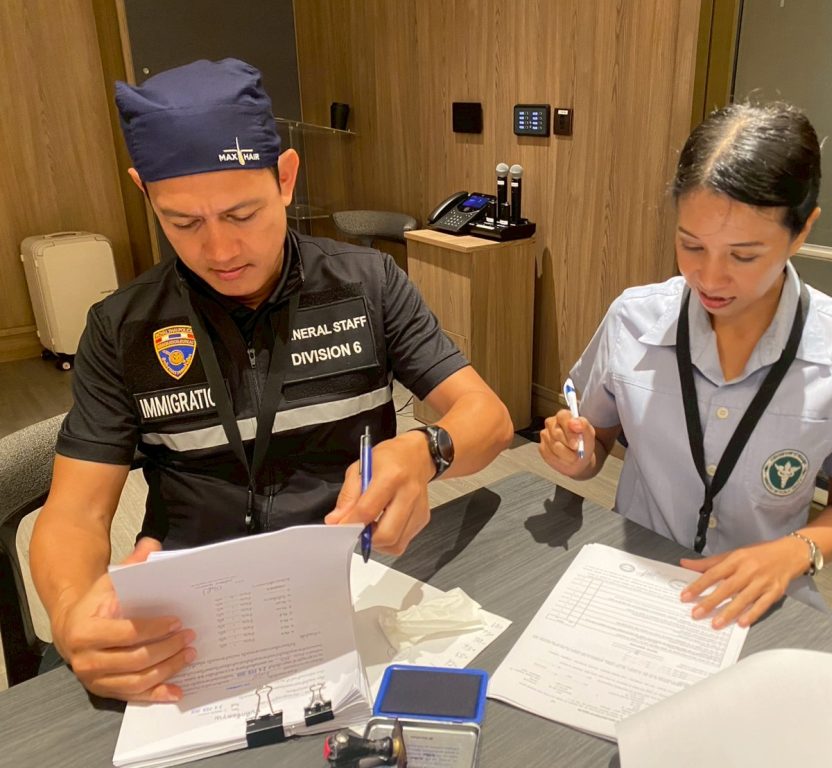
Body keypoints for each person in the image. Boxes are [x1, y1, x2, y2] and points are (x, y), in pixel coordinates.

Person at [29, 59, 513, 703]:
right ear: (144, 192)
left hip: (350, 581)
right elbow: (75, 513)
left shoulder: (368, 284)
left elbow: (488, 417)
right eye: (183, 223)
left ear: (285, 178)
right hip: (195, 610)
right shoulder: (121, 328)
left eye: (242, 213)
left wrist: (427, 451)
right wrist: (70, 612)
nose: (221, 251)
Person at [539, 102, 832, 630]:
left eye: (743, 255)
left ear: (802, 230)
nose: (710, 278)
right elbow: (594, 443)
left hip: (762, 602)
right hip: (637, 582)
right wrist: (575, 454)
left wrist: (796, 551)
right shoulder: (633, 319)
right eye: (691, 245)